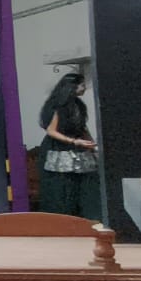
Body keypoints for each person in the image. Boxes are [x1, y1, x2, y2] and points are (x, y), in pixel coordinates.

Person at [36, 72, 101, 220]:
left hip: (77, 147)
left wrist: (91, 145)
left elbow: (82, 128)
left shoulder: (79, 106)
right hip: (58, 148)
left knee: (85, 183)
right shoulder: (59, 105)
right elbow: (51, 131)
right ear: (72, 87)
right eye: (82, 85)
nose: (84, 88)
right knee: (63, 187)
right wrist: (73, 141)